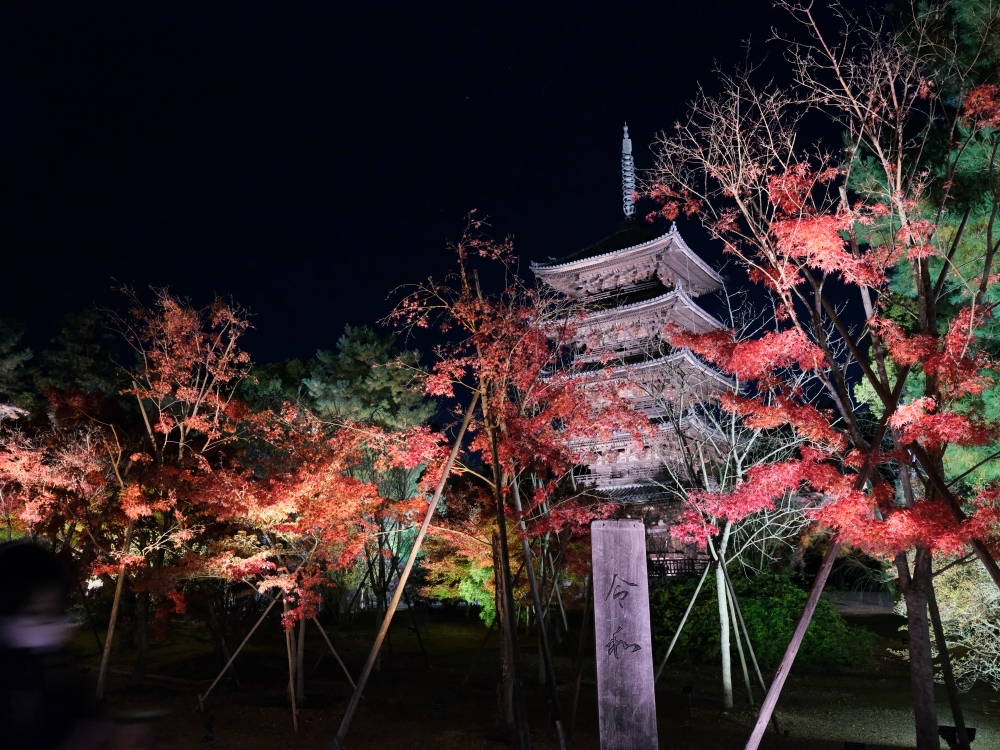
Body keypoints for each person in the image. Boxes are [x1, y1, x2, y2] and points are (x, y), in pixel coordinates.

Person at [0, 541, 82, 749]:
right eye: (33, 613)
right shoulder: (10, 670)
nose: (46, 626)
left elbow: (72, 718)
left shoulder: (58, 660)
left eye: (52, 613)